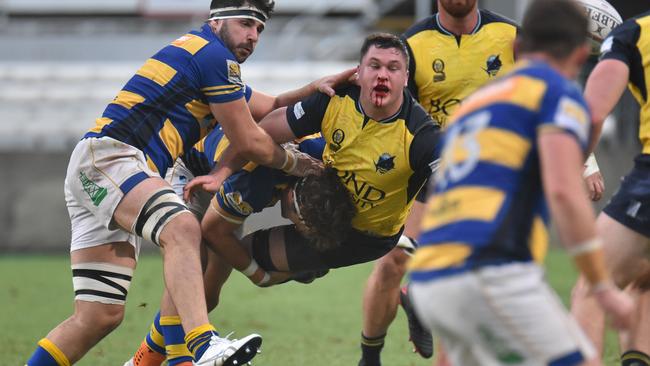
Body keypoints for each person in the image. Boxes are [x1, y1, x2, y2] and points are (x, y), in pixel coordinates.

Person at [24, 1, 351, 365]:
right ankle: (203, 345)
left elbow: (271, 103)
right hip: (112, 159)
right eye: (245, 23)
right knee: (182, 228)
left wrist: (314, 87)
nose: (253, 36)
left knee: (98, 317)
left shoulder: (208, 59)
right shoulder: (214, 57)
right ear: (217, 20)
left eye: (259, 28)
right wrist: (299, 165)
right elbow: (250, 142)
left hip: (102, 168)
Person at [128, 32, 441, 366]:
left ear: (406, 78)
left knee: (219, 275)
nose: (382, 74)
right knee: (203, 279)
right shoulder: (257, 180)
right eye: (374, 65)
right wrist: (257, 275)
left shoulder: (411, 138)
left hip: (365, 234)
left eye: (393, 67)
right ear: (359, 71)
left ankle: (158, 357)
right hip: (197, 172)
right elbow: (215, 230)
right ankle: (157, 361)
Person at [358, 1, 606, 364]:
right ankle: (370, 355)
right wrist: (600, 285)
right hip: (463, 226)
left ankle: (413, 300)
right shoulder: (414, 42)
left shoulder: (477, 99)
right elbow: (563, 190)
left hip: (440, 261)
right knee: (393, 259)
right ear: (581, 53)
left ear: (519, 50)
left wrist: (586, 161)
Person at [125, 128, 355, 366]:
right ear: (293, 200)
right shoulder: (254, 185)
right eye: (299, 225)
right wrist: (259, 274)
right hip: (189, 170)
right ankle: (179, 361)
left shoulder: (321, 160)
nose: (294, 228)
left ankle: (142, 362)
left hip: (226, 184)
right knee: (193, 264)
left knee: (206, 296)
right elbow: (214, 232)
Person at [570, 9, 650, 366]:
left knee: (592, 287)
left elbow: (594, 112)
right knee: (643, 276)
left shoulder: (634, 34)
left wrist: (576, 163)